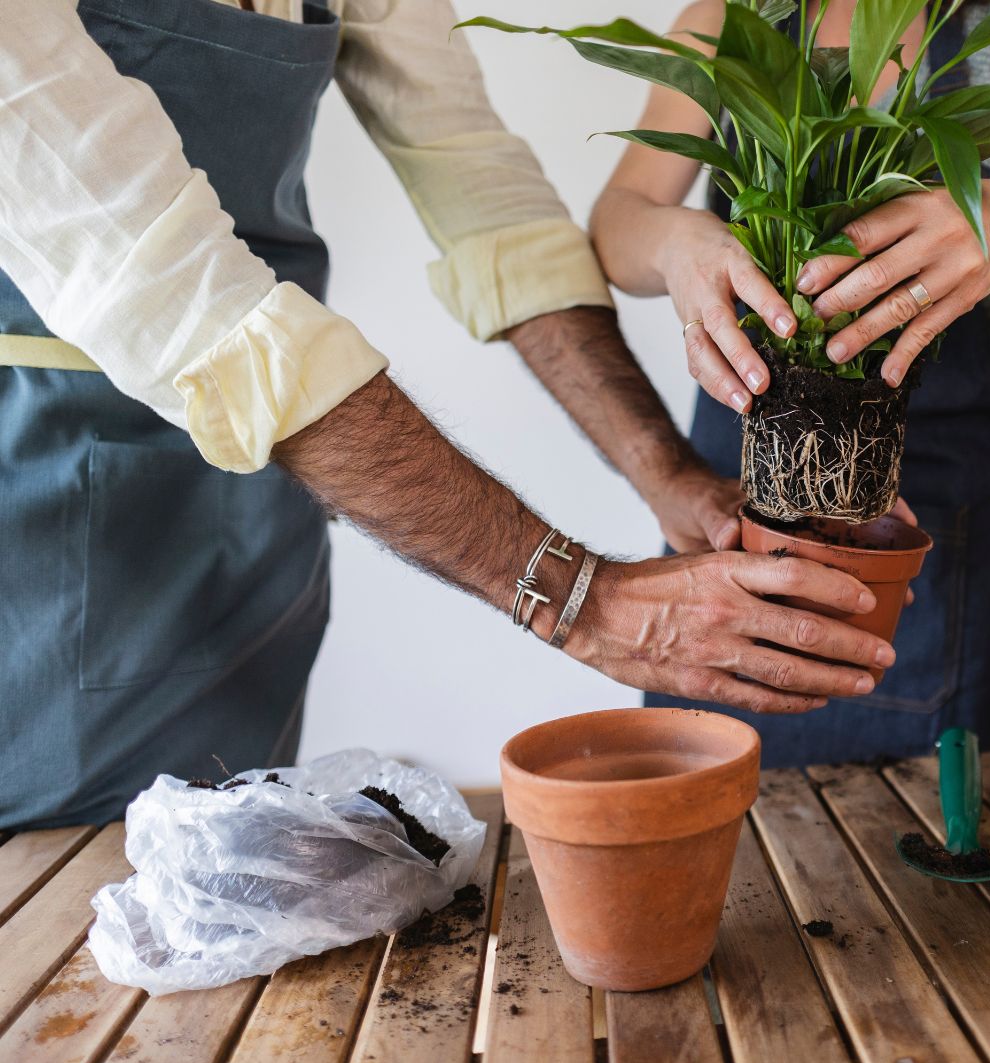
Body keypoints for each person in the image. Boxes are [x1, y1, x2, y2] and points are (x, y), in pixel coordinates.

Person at [0, 0, 901, 831]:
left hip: (268, 489)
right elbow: (179, 293)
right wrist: (580, 602)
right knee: (57, 917)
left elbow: (486, 197)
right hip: (47, 505)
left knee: (227, 857)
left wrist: (664, 473)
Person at [589, 1, 990, 766]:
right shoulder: (735, 18)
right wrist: (676, 242)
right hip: (737, 504)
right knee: (723, 839)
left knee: (964, 847)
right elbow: (617, 223)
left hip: (959, 528)